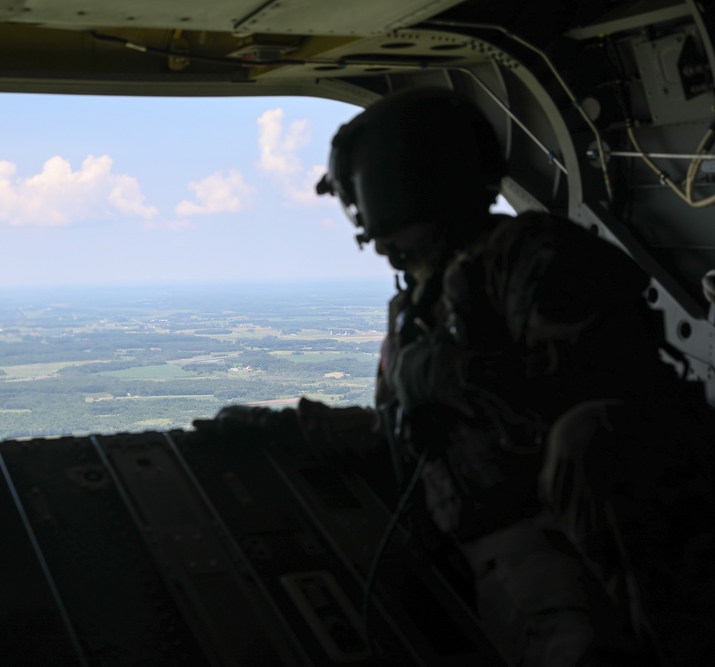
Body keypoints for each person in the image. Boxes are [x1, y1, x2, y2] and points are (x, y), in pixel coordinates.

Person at [199, 87, 715, 665]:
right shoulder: (416, 306)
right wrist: (284, 427)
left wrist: (446, 374)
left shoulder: (531, 253)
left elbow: (584, 406)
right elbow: (399, 435)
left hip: (575, 551)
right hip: (487, 566)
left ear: (387, 187)